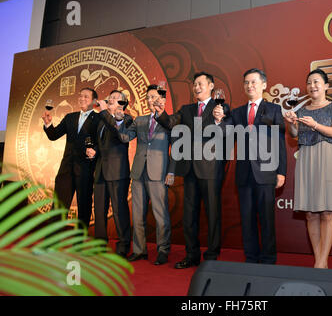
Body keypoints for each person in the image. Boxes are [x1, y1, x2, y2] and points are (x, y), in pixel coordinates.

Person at [154, 72, 230, 269]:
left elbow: (227, 134)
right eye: (194, 84)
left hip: (211, 168)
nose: (196, 87)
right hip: (189, 170)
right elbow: (169, 123)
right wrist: (160, 111)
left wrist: (219, 121)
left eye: (200, 83)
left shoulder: (221, 107)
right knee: (189, 215)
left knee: (213, 214)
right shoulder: (186, 109)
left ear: (211, 86)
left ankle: (212, 256)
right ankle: (191, 255)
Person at [213, 68, 287, 264]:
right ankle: (251, 258)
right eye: (246, 82)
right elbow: (225, 135)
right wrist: (219, 119)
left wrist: (281, 172)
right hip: (244, 174)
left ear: (264, 85)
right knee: (247, 219)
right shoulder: (237, 113)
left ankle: (269, 258)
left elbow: (279, 142)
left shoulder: (274, 110)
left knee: (267, 220)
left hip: (266, 172)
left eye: (253, 82)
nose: (249, 86)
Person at [284, 69, 332, 269]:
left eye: (317, 82)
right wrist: (291, 123)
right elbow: (294, 135)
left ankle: (321, 261)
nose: (313, 86)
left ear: (326, 86)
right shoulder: (301, 110)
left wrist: (316, 125)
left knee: (327, 211)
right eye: (309, 82)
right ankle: (320, 260)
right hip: (306, 157)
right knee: (310, 212)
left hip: (326, 156)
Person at [117, 85, 175, 265]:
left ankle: (163, 249)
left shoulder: (170, 121)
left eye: (154, 97)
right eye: (148, 97)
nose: (150, 101)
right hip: (138, 172)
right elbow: (125, 138)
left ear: (162, 99)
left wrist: (171, 171)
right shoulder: (140, 120)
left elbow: (177, 148)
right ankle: (139, 250)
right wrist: (119, 122)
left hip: (158, 172)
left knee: (160, 214)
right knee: (137, 214)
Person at [42, 87, 101, 228]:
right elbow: (53, 135)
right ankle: (52, 241)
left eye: (86, 96)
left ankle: (79, 243)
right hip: (66, 170)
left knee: (84, 208)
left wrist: (95, 151)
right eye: (80, 96)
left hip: (86, 170)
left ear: (94, 101)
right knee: (58, 207)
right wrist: (48, 124)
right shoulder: (70, 117)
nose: (81, 98)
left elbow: (103, 142)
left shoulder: (99, 118)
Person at [92, 90, 132, 258]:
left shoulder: (126, 119)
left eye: (116, 99)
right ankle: (100, 244)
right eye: (111, 97)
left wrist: (104, 112)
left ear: (122, 104)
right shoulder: (102, 119)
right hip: (100, 169)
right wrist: (92, 149)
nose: (111, 99)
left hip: (117, 170)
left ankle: (123, 244)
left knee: (118, 209)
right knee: (100, 209)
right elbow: (100, 142)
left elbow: (119, 135)